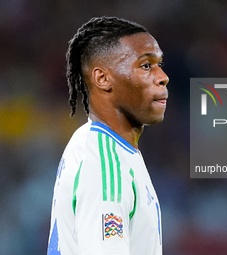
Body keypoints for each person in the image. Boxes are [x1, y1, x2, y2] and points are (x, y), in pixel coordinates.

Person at [47, 16, 169, 255]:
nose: (162, 76)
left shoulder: (105, 146)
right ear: (103, 79)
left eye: (159, 64)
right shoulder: (105, 163)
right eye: (146, 66)